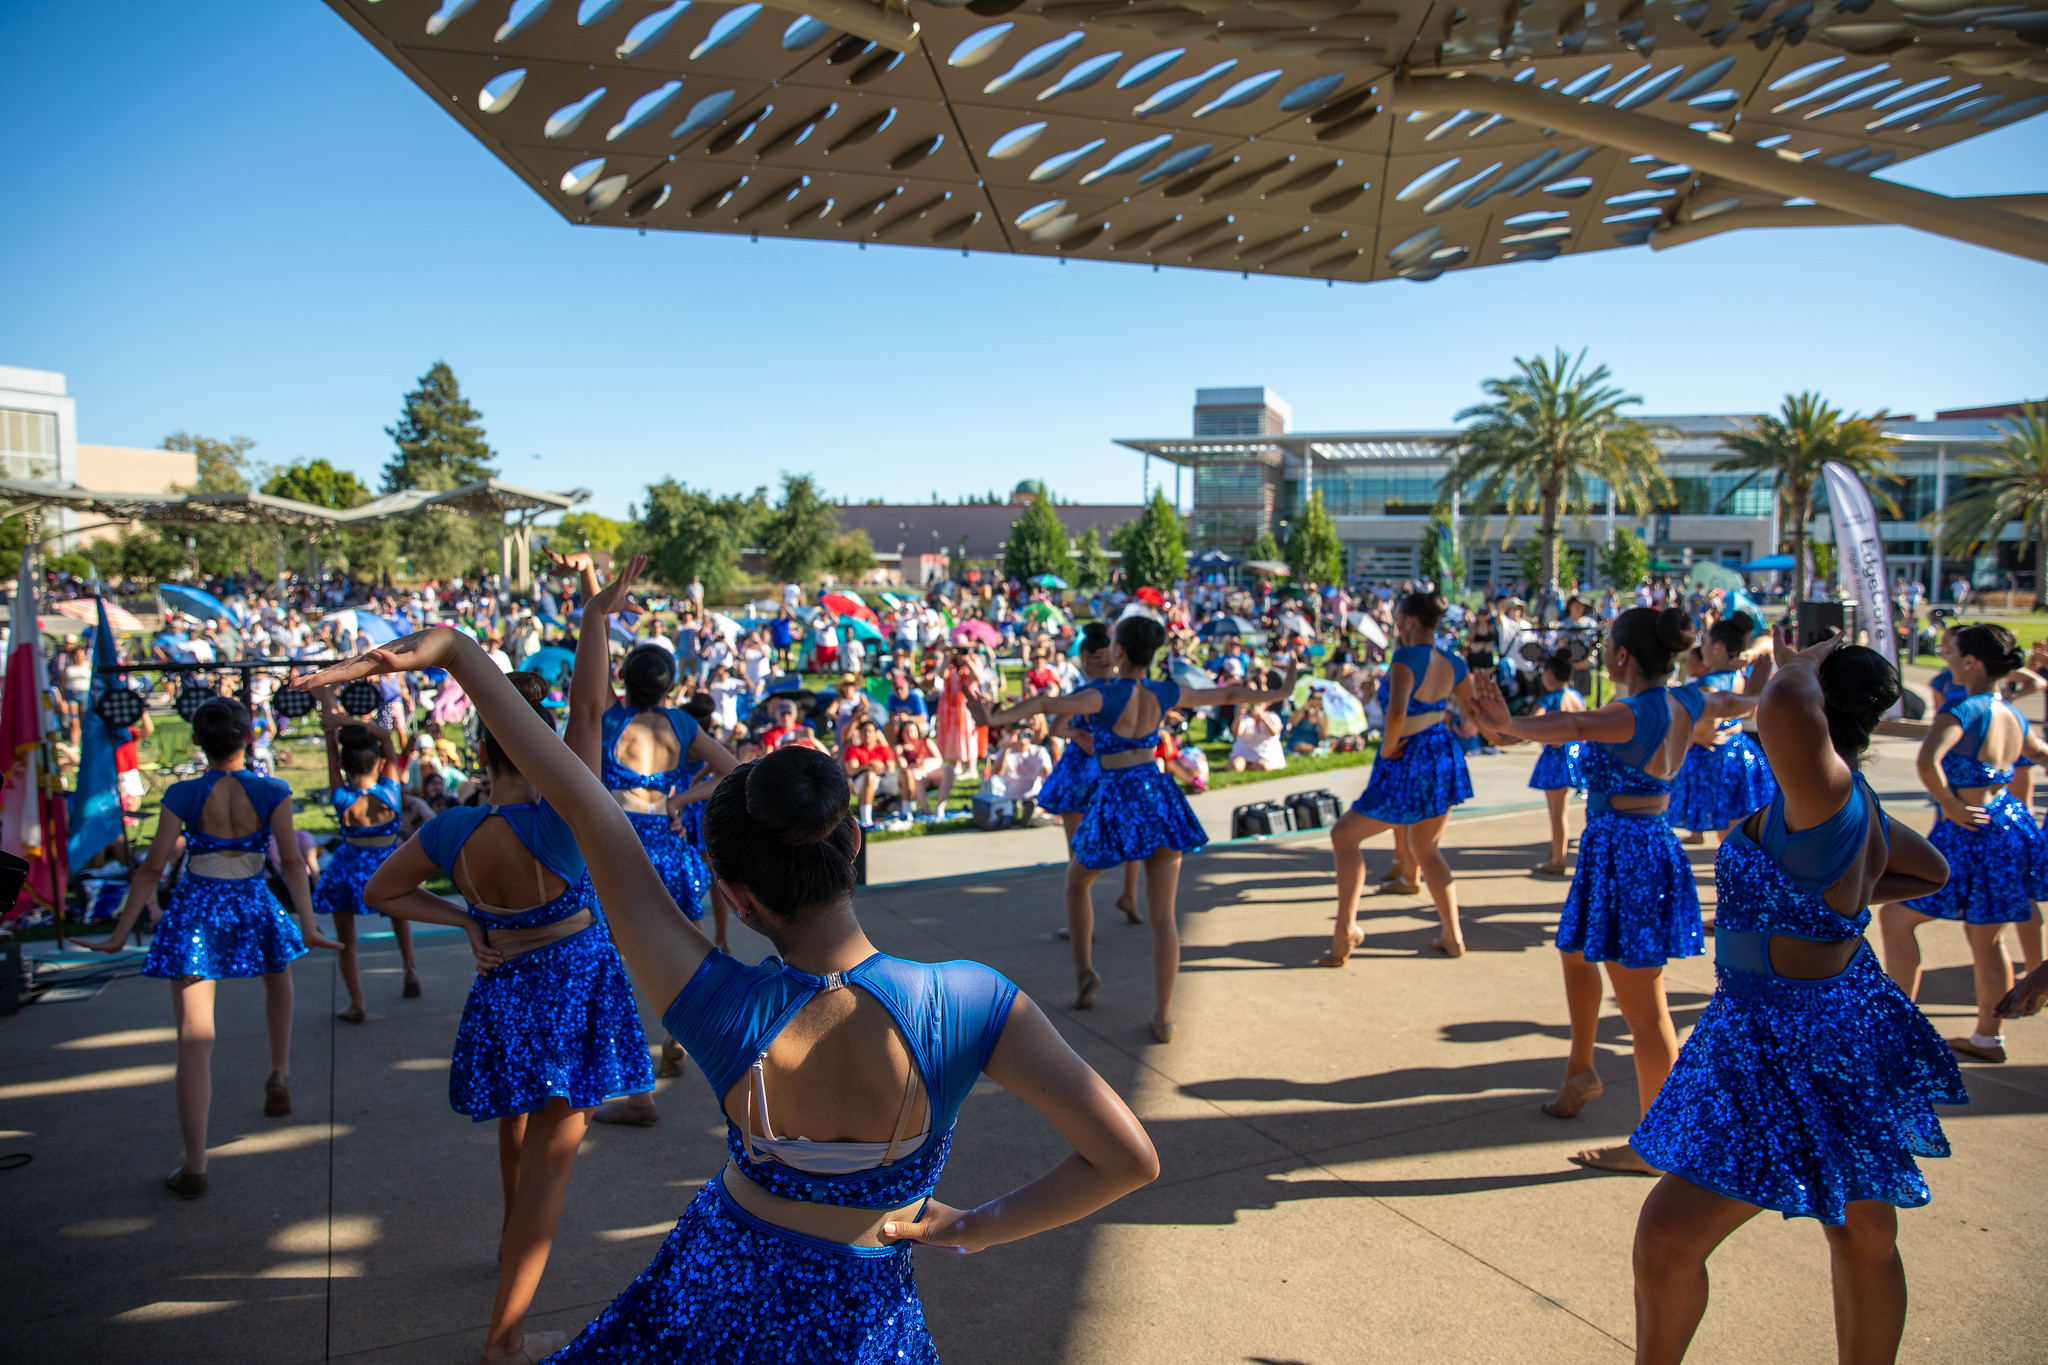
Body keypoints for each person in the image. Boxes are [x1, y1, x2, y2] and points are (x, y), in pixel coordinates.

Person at [297, 624, 1159, 1364]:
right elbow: (1127, 1160)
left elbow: (573, 786)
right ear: (852, 838)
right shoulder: (973, 999)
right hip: (866, 1309)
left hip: (712, 1283)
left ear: (735, 897)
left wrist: (454, 652)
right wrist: (968, 1227)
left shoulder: (707, 999)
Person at [1629, 630, 1965, 1365]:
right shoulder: (1839, 803)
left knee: (1667, 1236)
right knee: (1862, 1232)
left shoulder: (1830, 794)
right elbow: (1930, 869)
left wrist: (1798, 661)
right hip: (1810, 1029)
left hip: (1793, 1038)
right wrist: (1834, 912)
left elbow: (1780, 700)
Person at [358, 669, 657, 1364]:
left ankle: (507, 1235)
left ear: (482, 752)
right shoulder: (561, 817)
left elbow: (383, 889)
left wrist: (464, 915)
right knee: (551, 1170)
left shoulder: (454, 828)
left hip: (506, 992)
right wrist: (593, 614)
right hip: (570, 994)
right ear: (538, 746)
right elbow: (588, 705)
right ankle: (506, 1340)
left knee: (515, 1123)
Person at [1467, 606, 1758, 1174]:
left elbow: (1573, 728)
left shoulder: (1630, 711)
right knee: (1575, 954)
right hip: (1627, 849)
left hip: (1629, 854)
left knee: (1646, 1012)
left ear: (1622, 655)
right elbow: (1733, 704)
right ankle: (1582, 1068)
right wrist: (1788, 682)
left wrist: (1509, 723)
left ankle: (1662, 1145)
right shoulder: (1689, 700)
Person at [970, 616, 1293, 1042]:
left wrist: (992, 716)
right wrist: (1282, 690)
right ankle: (1163, 1017)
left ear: (1118, 651)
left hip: (1116, 799)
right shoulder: (1163, 691)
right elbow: (1228, 693)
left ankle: (1084, 971)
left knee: (1076, 883)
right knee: (1164, 919)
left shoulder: (1103, 695)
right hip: (1157, 795)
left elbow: (1046, 706)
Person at [86, 698, 339, 1198]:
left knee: (194, 1039)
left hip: (198, 906)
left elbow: (153, 868)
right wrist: (307, 925)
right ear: (249, 736)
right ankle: (279, 1070)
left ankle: (196, 1163)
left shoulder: (183, 793)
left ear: (198, 741)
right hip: (251, 900)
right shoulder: (272, 790)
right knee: (277, 975)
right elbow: (291, 864)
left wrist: (120, 932)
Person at [1878, 623, 2048, 1063]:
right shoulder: (2010, 711)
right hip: (2006, 828)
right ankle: (1988, 1037)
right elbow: (2041, 754)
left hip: (1971, 833)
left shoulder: (1965, 709)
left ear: (1970, 661)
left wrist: (1949, 803)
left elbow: (1927, 759)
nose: (1945, 656)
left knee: (1897, 917)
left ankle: (1898, 1025)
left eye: (1949, 650)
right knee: (1986, 937)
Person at [1319, 591, 1476, 968]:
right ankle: (1452, 934)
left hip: (1408, 754)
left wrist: (1389, 749)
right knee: (1427, 848)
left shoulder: (1406, 658)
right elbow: (1474, 712)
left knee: (1345, 836)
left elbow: (1396, 713)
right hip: (1441, 751)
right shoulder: (1454, 662)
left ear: (1408, 621)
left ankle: (1346, 929)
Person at [316, 703, 420, 1023]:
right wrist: (350, 722)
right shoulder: (391, 791)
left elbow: (332, 759)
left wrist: (332, 731)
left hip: (348, 867)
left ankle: (357, 1002)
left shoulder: (342, 796)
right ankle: (410, 969)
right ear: (379, 763)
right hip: (386, 862)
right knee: (398, 917)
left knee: (347, 940)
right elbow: (387, 738)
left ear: (344, 767)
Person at [1666, 614, 1777, 847]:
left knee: (1729, 834)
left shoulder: (1710, 684)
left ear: (1717, 648)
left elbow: (1708, 726)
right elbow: (1768, 641)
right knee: (1737, 829)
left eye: (1705, 643)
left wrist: (1691, 732)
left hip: (1716, 760)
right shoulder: (1736, 676)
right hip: (1739, 752)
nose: (1702, 648)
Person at [1525, 649, 1586, 877]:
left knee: (1557, 811)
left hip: (1556, 756)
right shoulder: (1576, 697)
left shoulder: (1550, 699)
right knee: (1562, 809)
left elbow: (1533, 724)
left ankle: (1558, 858)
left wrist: (1548, 736)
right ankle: (1555, 854)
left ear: (1548, 675)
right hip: (1575, 753)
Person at [892, 715, 952, 822]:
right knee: (915, 773)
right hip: (914, 776)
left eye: (912, 731)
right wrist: (915, 765)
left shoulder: (926, 742)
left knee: (948, 770)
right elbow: (903, 765)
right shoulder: (900, 747)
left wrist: (925, 762)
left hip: (930, 772)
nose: (910, 734)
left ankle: (940, 807)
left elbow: (939, 760)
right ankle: (926, 809)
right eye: (907, 731)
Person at [841, 717, 898, 828]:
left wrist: (881, 767)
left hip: (883, 780)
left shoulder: (884, 749)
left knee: (906, 773)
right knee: (870, 776)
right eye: (864, 731)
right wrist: (868, 766)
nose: (867, 734)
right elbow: (851, 770)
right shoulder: (853, 750)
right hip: (861, 781)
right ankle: (866, 819)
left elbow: (891, 769)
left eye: (870, 731)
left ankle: (907, 812)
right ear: (860, 734)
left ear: (876, 734)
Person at [1228, 689, 1286, 771]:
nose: (1257, 705)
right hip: (1244, 755)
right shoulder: (1245, 718)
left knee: (1263, 766)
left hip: (1267, 756)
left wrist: (1263, 718)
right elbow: (1236, 733)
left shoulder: (1272, 717)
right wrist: (1239, 714)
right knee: (1236, 765)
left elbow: (1274, 732)